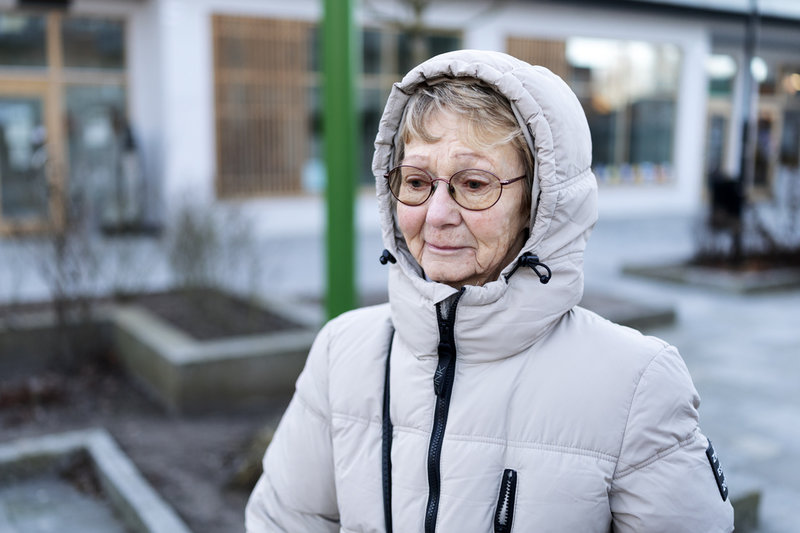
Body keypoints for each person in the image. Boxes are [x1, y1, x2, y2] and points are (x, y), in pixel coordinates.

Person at [246, 49, 734, 532]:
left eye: (474, 184)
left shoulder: (635, 385)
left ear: (539, 204)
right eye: (416, 181)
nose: (437, 214)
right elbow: (282, 521)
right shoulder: (342, 353)